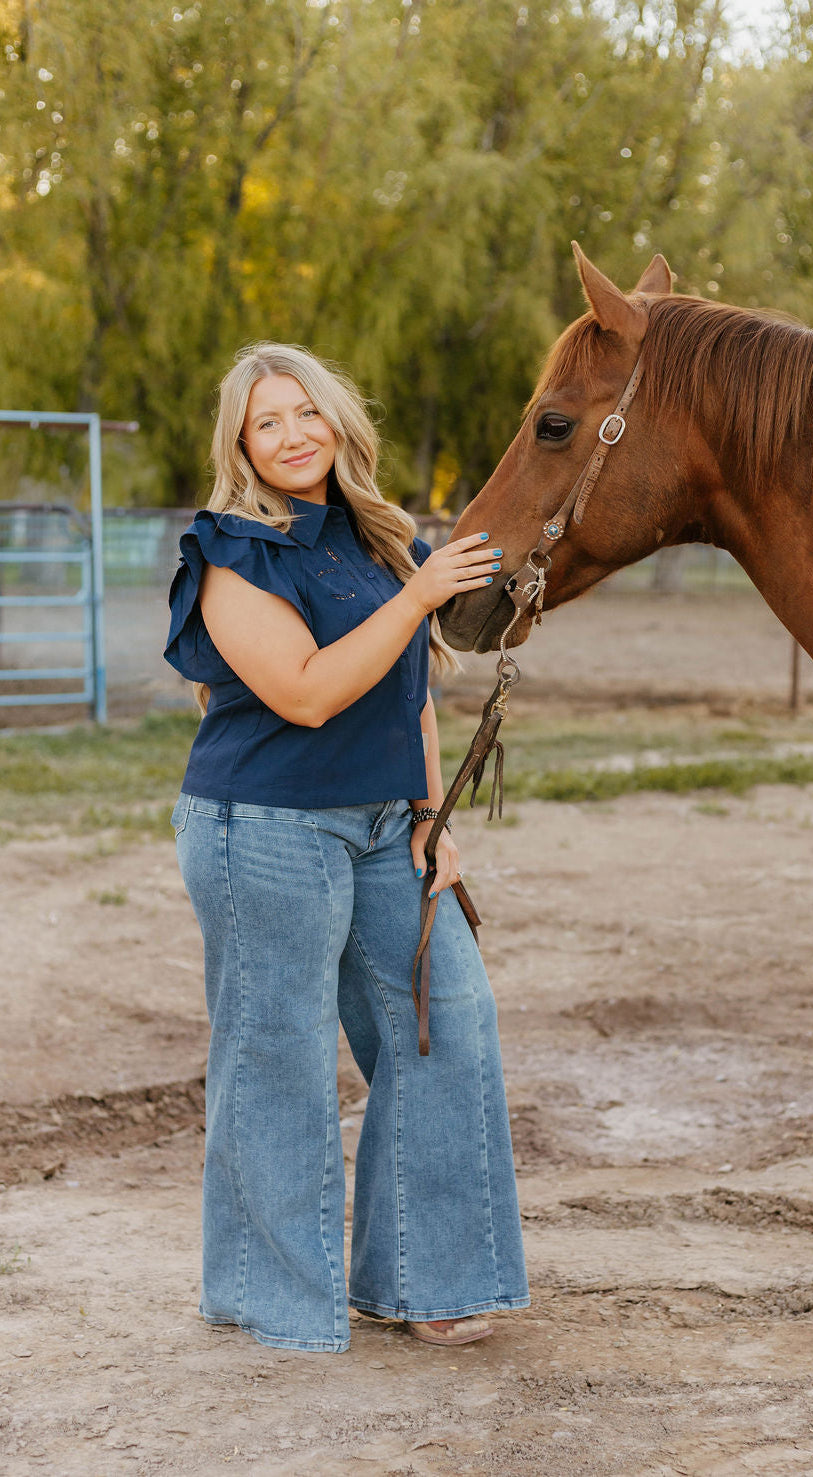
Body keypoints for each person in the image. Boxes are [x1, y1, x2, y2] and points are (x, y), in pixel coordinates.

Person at [163, 341, 529, 1352]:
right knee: (276, 1057)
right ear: (240, 442)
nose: (291, 435)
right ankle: (269, 1298)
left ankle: (428, 1281)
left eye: (305, 413)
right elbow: (309, 691)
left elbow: (406, 689)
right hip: (261, 828)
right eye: (266, 421)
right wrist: (419, 593)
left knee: (442, 1022)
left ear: (337, 420)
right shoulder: (232, 550)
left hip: (381, 826)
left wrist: (428, 819)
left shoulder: (378, 538)